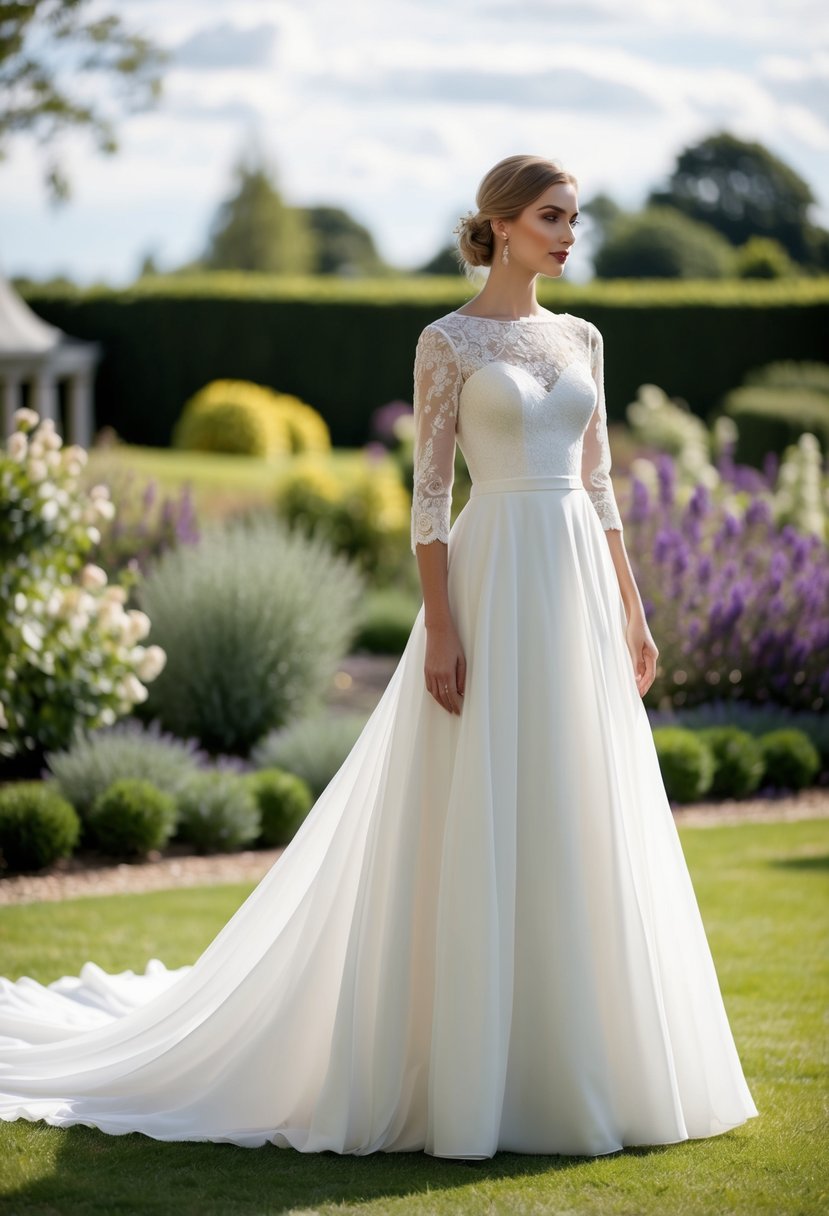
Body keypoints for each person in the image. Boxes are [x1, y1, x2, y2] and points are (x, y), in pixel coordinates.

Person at [0, 154, 758, 1160]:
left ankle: (583, 1061)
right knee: (479, 799)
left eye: (573, 217)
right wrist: (441, 627)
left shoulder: (583, 337)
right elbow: (432, 500)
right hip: (493, 581)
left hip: (574, 582)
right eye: (551, 216)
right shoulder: (444, 341)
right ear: (499, 223)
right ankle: (465, 1066)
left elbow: (603, 483)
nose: (569, 233)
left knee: (580, 795)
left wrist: (633, 608)